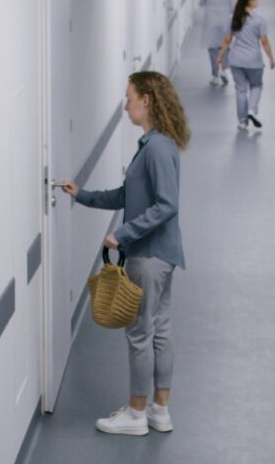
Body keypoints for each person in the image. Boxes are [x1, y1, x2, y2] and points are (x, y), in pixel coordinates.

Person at [57, 71, 188, 437]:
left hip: (148, 257)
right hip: (161, 254)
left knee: (140, 334)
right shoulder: (154, 144)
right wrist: (82, 195)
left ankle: (135, 413)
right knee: (159, 330)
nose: (125, 104)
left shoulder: (158, 148)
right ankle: (159, 410)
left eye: (129, 97)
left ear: (146, 100)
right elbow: (125, 196)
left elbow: (167, 205)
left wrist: (123, 234)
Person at [216, 0, 275, 130]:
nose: (258, 0)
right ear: (251, 1)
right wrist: (271, 58)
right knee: (256, 86)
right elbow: (264, 41)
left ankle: (242, 121)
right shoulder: (259, 19)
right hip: (253, 60)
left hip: (236, 60)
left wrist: (220, 56)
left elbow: (227, 40)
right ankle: (252, 110)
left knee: (241, 90)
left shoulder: (233, 18)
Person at [196, 0, 238, 87]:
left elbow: (201, 2)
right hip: (225, 20)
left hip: (211, 21)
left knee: (212, 49)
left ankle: (215, 76)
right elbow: (233, 7)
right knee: (225, 47)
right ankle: (224, 70)